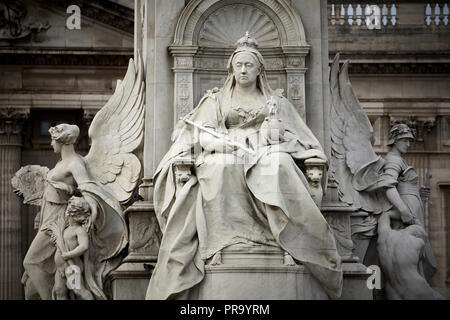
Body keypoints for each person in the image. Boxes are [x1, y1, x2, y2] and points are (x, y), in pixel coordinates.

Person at [146, 34, 342, 300]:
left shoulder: (277, 102)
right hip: (226, 151)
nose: (243, 70)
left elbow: (296, 135)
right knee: (219, 168)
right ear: (231, 68)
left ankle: (285, 239)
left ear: (260, 69)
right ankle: (223, 244)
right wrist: (218, 146)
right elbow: (195, 135)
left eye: (249, 65)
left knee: (280, 164)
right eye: (239, 65)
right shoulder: (215, 100)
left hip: (266, 151)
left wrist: (272, 132)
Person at [23, 124, 127, 300]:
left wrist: (92, 210)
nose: (50, 144)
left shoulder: (75, 163)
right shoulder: (61, 163)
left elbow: (87, 188)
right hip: (49, 216)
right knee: (48, 276)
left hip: (58, 220)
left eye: (52, 140)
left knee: (31, 262)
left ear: (61, 141)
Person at [378, 124, 438, 281]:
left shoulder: (399, 160)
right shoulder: (393, 160)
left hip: (410, 212)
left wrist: (420, 196)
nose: (408, 144)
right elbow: (388, 185)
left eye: (409, 140)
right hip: (405, 216)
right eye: (404, 140)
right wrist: (403, 210)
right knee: (406, 261)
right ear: (395, 140)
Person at [50, 196, 94, 300]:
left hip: (72, 265)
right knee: (59, 290)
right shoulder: (65, 230)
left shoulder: (79, 230)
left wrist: (69, 254)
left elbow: (84, 246)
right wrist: (53, 242)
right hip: (60, 267)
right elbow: (58, 245)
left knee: (78, 290)